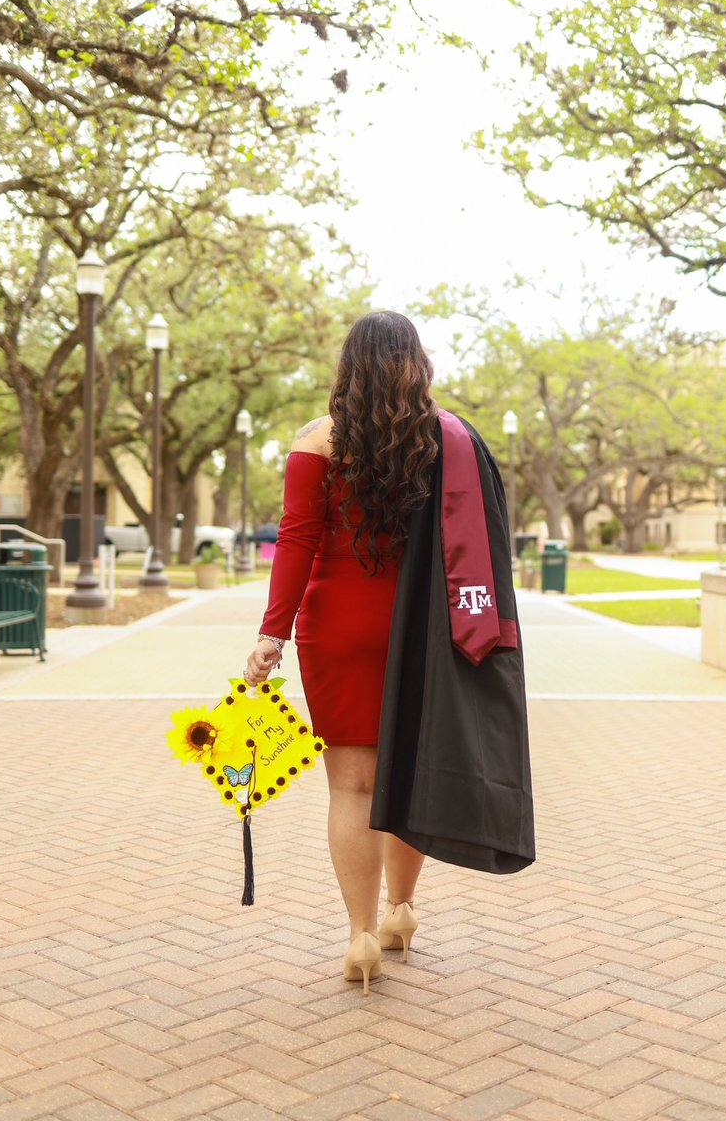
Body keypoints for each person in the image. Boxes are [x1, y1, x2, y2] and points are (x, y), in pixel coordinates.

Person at [245, 311, 534, 996]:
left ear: (347, 367)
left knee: (351, 785)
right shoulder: (447, 440)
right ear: (415, 362)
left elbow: (296, 543)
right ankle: (401, 911)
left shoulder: (316, 442)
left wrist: (270, 632)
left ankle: (359, 934)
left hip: (336, 631)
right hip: (419, 632)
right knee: (412, 773)